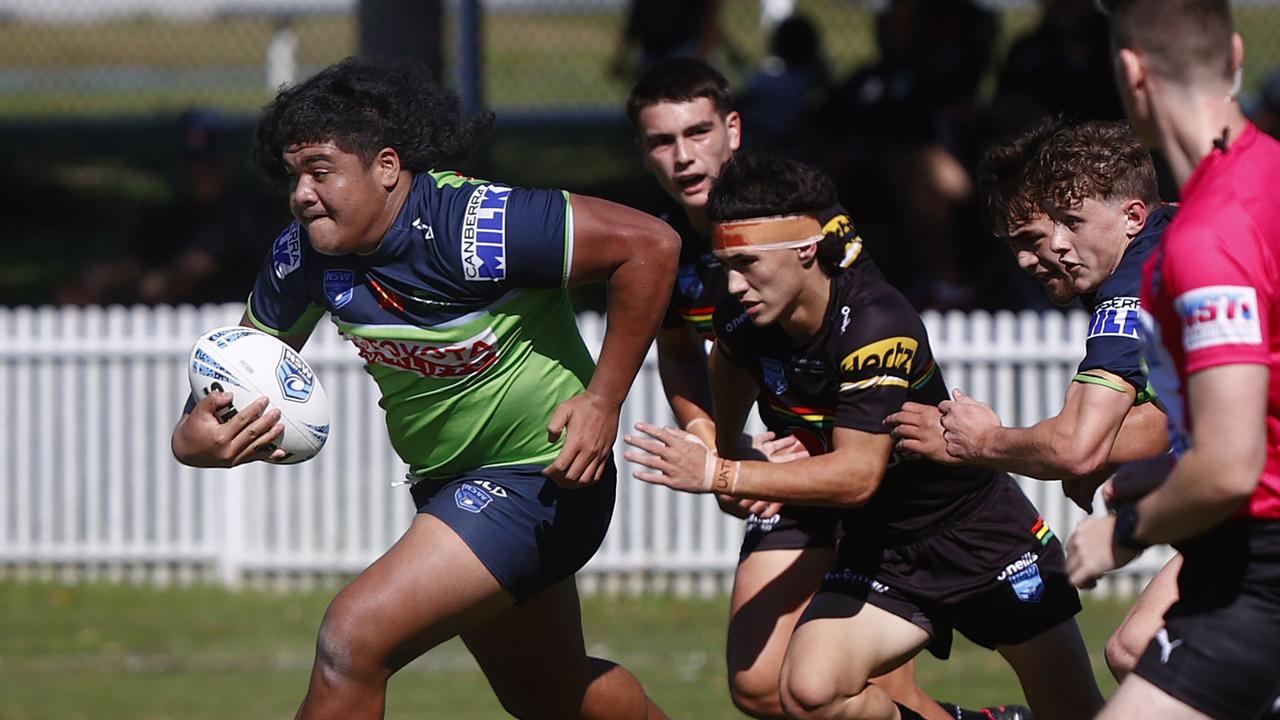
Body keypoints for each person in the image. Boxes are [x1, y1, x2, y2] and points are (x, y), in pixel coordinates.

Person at [170, 57, 679, 720]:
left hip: (541, 476)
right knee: (551, 697)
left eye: (320, 171)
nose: (301, 194)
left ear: (386, 166)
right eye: (294, 175)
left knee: (352, 640)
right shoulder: (305, 255)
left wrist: (604, 399)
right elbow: (242, 365)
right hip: (449, 485)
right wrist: (194, 437)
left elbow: (651, 246)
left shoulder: (475, 225)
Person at [625, 152, 1103, 720]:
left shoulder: (877, 324)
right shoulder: (743, 313)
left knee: (1077, 713)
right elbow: (728, 362)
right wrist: (729, 442)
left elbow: (856, 476)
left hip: (977, 534)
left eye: (748, 262)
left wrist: (719, 473)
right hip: (882, 548)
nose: (733, 283)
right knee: (810, 692)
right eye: (726, 262)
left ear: (805, 249)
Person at [888, 118, 1177, 680]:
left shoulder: (1127, 287)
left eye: (1040, 233)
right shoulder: (1171, 237)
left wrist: (979, 442)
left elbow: (1075, 448)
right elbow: (1172, 418)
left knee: (1140, 651)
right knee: (1139, 651)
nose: (1036, 256)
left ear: (1130, 215)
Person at [1068, 2, 1280, 718]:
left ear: (1132, 72)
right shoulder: (1270, 179)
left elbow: (1229, 464)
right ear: (1237, 54)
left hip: (1259, 567)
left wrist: (1122, 533)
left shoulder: (1208, 237)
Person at [57, 109, 272, 306]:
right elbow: (136, 262)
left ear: (225, 162)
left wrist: (134, 289)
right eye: (192, 163)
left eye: (207, 164)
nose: (199, 173)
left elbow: (187, 273)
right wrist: (99, 279)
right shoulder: (169, 216)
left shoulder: (242, 214)